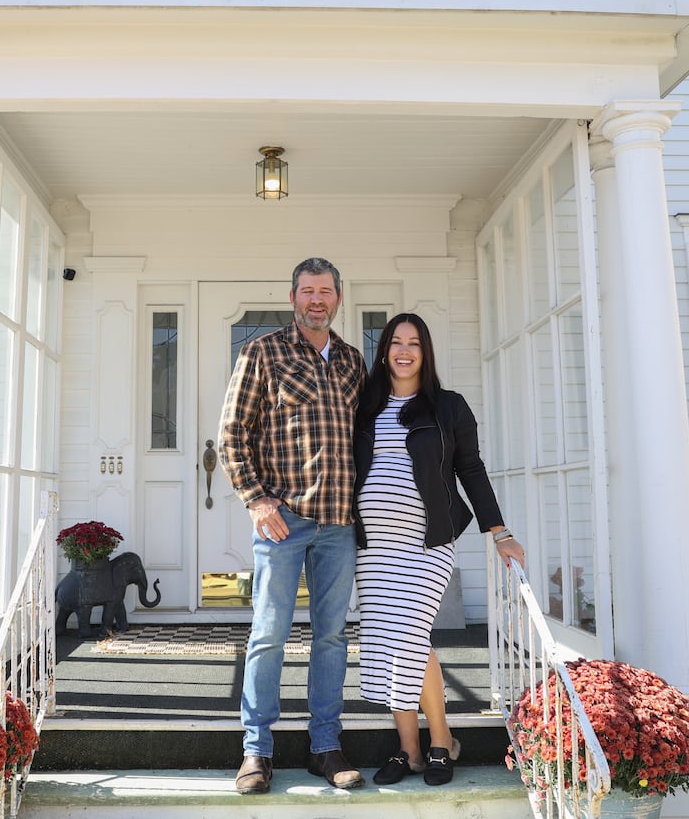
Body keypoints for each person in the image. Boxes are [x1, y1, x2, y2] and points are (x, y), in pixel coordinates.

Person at [352, 312, 525, 786]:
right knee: (397, 644)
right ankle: (410, 750)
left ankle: (442, 741)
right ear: (384, 350)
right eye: (395, 342)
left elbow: (470, 468)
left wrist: (500, 530)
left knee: (409, 633)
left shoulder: (447, 407)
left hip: (426, 544)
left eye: (414, 343)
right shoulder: (364, 406)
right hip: (374, 549)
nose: (404, 351)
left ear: (425, 353)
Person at [218, 257, 367, 795]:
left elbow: (368, 440)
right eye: (307, 291)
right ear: (293, 297)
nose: (316, 299)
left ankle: (325, 747)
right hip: (283, 523)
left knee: (331, 637)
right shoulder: (262, 351)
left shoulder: (352, 362)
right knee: (269, 635)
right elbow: (233, 432)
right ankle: (256, 751)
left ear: (338, 299)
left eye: (326, 290)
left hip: (339, 524)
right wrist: (257, 501)